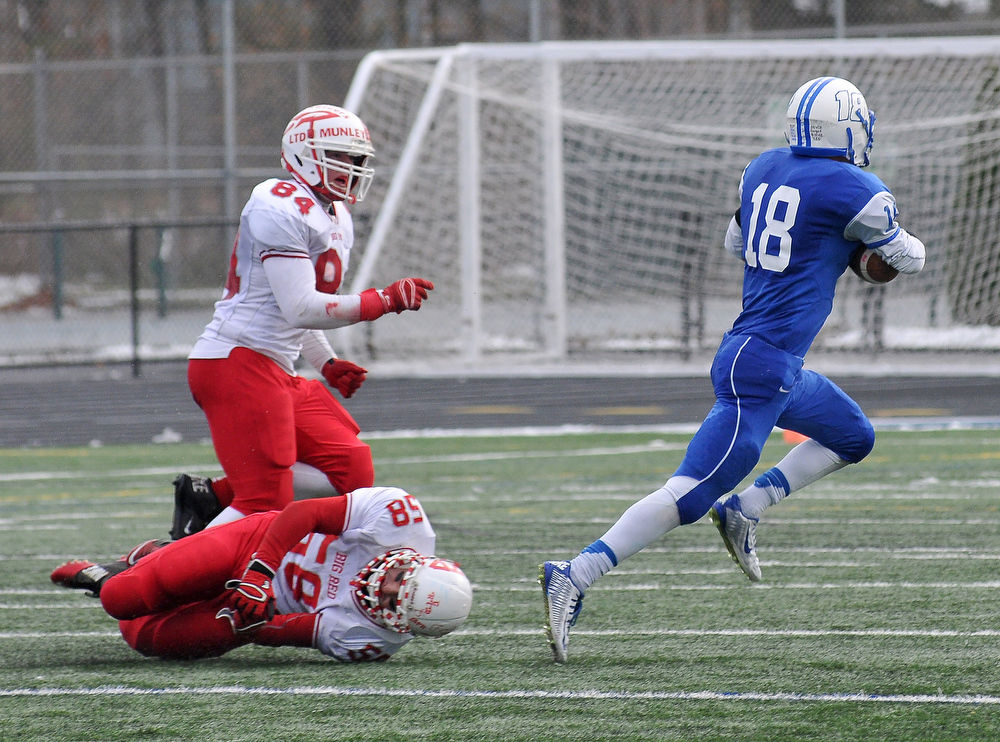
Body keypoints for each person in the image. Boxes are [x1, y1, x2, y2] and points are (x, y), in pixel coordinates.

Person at [538, 76, 926, 663]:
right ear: (846, 127)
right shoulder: (857, 188)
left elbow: (735, 241)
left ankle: (747, 508)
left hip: (767, 359)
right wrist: (859, 245)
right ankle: (575, 572)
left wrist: (826, 242)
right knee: (689, 493)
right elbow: (907, 258)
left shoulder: (763, 166)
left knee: (853, 436)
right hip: (762, 365)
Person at [173, 104, 434, 537]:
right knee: (263, 502)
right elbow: (300, 307)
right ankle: (156, 563)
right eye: (339, 155)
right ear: (305, 154)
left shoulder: (335, 215)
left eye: (355, 158)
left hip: (275, 367)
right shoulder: (277, 203)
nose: (350, 166)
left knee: (351, 469)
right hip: (237, 361)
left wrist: (326, 361)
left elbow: (299, 308)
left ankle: (212, 497)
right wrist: (382, 301)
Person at [51, 486, 473, 662]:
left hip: (259, 602)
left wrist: (252, 623)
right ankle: (145, 559)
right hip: (258, 544)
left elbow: (288, 631)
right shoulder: (401, 518)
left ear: (402, 626)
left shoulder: (371, 640)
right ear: (415, 561)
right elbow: (303, 513)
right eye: (399, 579)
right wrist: (259, 572)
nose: (384, 588)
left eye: (391, 603)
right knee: (121, 599)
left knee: (146, 639)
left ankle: (151, 563)